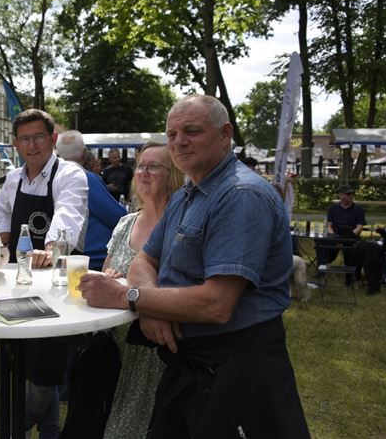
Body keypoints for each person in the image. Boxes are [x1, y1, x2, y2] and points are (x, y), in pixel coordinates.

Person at [79, 95, 310, 438]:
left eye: (192, 131)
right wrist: (151, 306)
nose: (179, 141)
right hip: (189, 366)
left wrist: (128, 297)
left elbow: (217, 304)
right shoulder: (188, 195)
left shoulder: (241, 195)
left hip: (237, 371)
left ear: (225, 134)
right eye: (172, 134)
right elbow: (145, 259)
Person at [0, 109, 88, 439]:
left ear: (53, 139)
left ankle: (16, 424)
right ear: (16, 143)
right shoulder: (13, 178)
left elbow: (67, 213)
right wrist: (3, 242)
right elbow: (1, 213)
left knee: (46, 369)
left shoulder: (69, 174)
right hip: (17, 284)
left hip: (54, 286)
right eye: (25, 139)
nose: (32, 146)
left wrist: (50, 248)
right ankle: (49, 432)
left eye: (38, 137)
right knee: (19, 359)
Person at [100, 142, 183, 439]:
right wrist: (109, 278)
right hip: (116, 343)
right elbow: (107, 271)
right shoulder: (126, 223)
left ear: (173, 175)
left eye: (154, 167)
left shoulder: (182, 224)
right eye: (140, 166)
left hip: (157, 347)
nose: (143, 173)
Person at [56, 130, 126, 271]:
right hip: (91, 259)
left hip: (65, 255)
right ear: (84, 153)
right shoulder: (86, 179)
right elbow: (119, 218)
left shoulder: (54, 178)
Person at [316, 184, 366, 270]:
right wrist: (335, 238)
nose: (351, 195)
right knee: (320, 243)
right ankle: (321, 269)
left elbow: (359, 227)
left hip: (351, 236)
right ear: (341, 195)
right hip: (335, 236)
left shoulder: (358, 209)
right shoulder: (333, 208)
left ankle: (351, 271)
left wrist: (346, 239)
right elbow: (329, 226)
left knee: (355, 248)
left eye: (352, 193)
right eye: (348, 194)